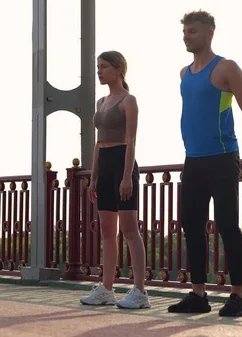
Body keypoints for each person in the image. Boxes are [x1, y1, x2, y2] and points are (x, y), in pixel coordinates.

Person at [167, 10, 242, 317]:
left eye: (192, 32)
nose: (187, 36)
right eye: (185, 32)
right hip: (193, 160)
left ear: (210, 33)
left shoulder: (226, 68)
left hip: (223, 157)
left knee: (226, 225)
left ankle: (238, 296)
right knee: (192, 226)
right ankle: (198, 293)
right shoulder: (185, 73)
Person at [79, 50, 151, 309]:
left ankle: (140, 291)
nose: (99, 71)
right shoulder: (100, 103)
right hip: (105, 164)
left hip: (123, 163)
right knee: (108, 232)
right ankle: (106, 289)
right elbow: (99, 144)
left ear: (119, 70)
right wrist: (94, 177)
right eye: (98, 67)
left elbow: (130, 141)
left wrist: (126, 177)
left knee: (130, 230)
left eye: (104, 67)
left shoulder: (128, 101)